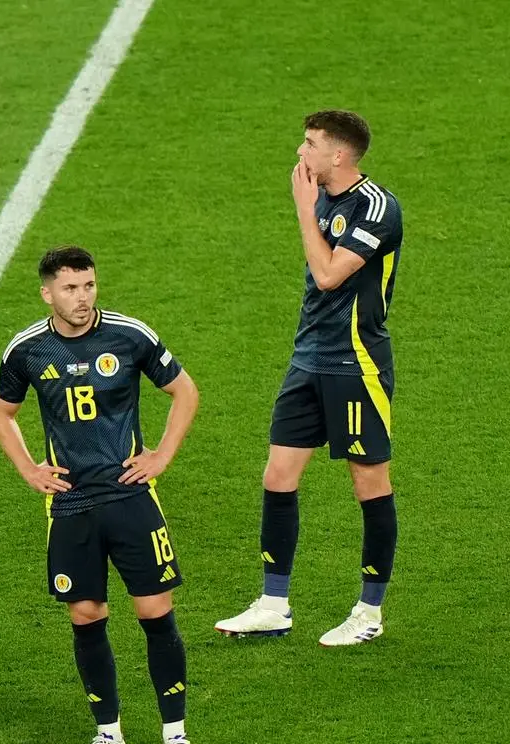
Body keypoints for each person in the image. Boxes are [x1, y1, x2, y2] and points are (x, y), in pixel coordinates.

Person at [0, 246, 203, 744]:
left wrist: (162, 455)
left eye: (88, 286)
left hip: (130, 498)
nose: (82, 298)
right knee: (87, 617)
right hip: (71, 504)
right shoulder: (27, 350)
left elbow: (184, 391)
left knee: (156, 614)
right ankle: (108, 735)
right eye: (70, 288)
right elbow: (3, 413)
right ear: (47, 292)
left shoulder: (129, 336)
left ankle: (175, 736)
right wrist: (28, 469)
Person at [216, 110, 403, 647]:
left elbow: (326, 276)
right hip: (308, 358)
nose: (301, 153)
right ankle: (274, 603)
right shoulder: (323, 195)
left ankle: (369, 613)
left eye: (310, 144)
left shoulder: (377, 208)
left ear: (338, 155)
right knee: (278, 475)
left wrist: (303, 209)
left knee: (369, 484)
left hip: (356, 363)